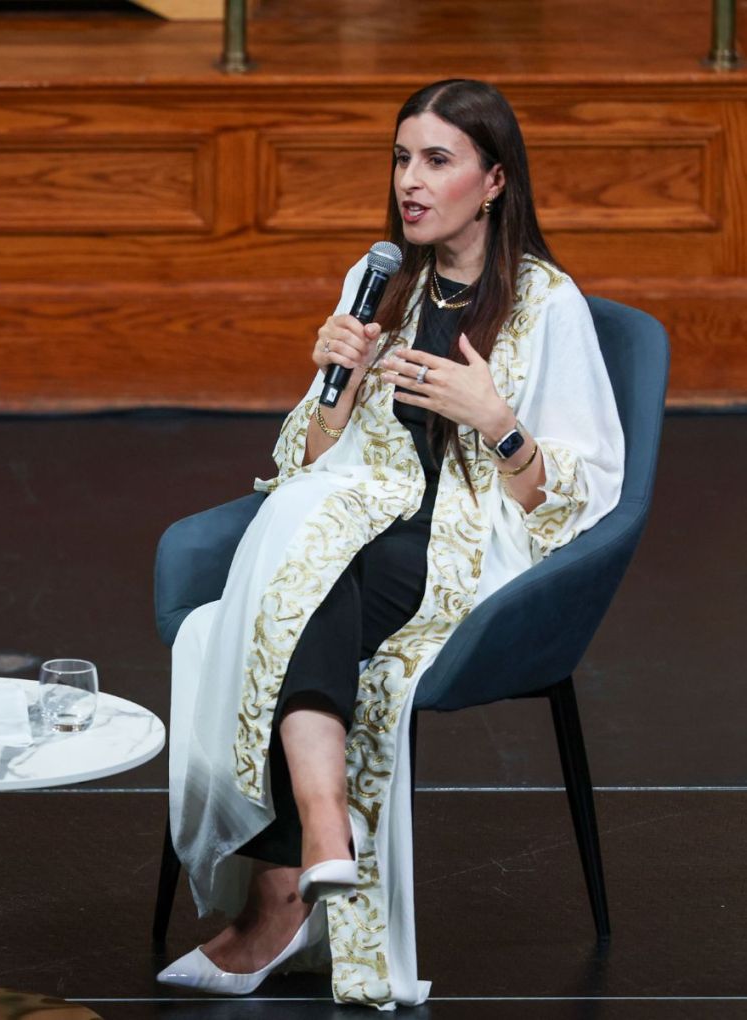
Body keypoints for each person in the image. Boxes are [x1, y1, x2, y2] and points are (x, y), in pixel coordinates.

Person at [158, 79, 625, 1008]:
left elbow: (579, 500)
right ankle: (324, 834)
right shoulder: (382, 284)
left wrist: (495, 420)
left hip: (468, 538)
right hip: (358, 511)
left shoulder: (547, 302)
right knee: (311, 538)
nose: (410, 181)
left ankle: (282, 890)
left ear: (494, 180)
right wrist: (335, 383)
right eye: (402, 159)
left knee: (292, 573)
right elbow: (303, 459)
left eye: (437, 161)